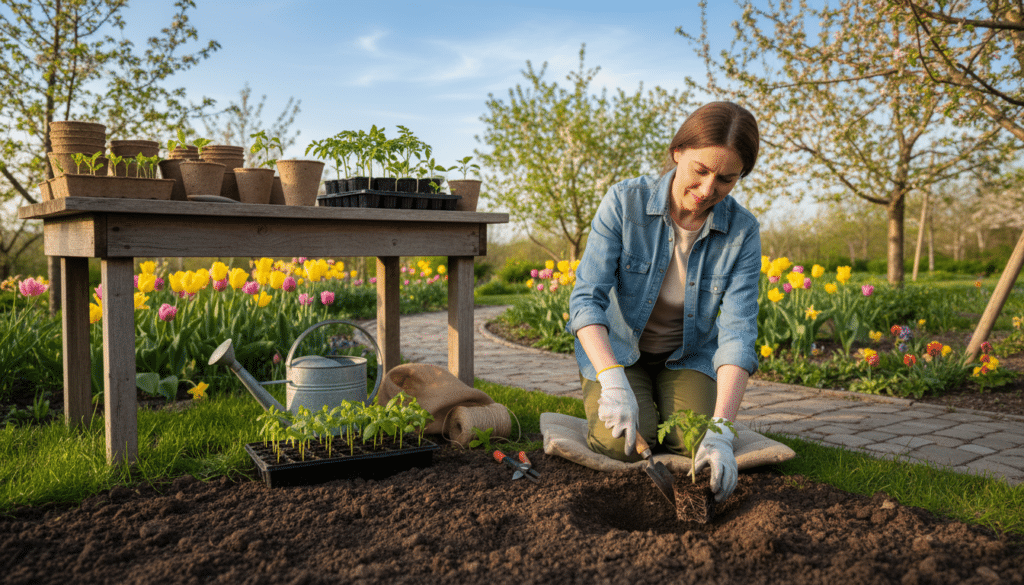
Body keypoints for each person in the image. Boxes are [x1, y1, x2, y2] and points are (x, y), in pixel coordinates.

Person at [566, 101, 761, 503]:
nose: (708, 190)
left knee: (694, 444)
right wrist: (612, 380)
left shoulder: (742, 232)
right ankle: (628, 393)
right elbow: (586, 299)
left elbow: (738, 333)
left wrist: (722, 430)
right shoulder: (624, 203)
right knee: (619, 444)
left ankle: (665, 400)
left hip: (687, 356)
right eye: (701, 171)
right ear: (677, 153)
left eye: (726, 179)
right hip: (620, 354)